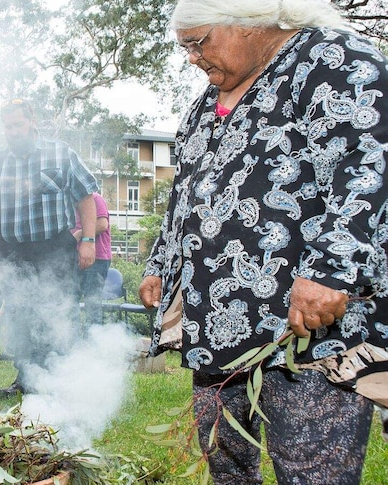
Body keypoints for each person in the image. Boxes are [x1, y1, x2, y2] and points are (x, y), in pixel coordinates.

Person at [138, 1, 388, 483]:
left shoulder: (330, 60)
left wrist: (329, 272)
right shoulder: (209, 100)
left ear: (249, 22)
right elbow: (186, 191)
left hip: (304, 331)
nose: (192, 57)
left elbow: (367, 166)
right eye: (185, 46)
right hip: (221, 329)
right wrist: (161, 261)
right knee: (225, 461)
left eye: (199, 41)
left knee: (311, 467)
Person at [0, 98, 98, 398]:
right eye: (8, 127)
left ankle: (59, 381)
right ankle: (26, 377)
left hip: (53, 248)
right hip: (11, 250)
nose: (13, 131)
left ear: (32, 121)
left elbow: (86, 198)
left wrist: (89, 240)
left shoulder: (61, 153)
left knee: (56, 312)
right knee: (20, 315)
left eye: (18, 124)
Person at [72, 191, 111, 327]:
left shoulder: (95, 198)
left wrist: (80, 234)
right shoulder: (69, 203)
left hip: (97, 259)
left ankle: (94, 342)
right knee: (70, 301)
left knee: (92, 302)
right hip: (74, 259)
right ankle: (72, 340)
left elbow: (102, 224)